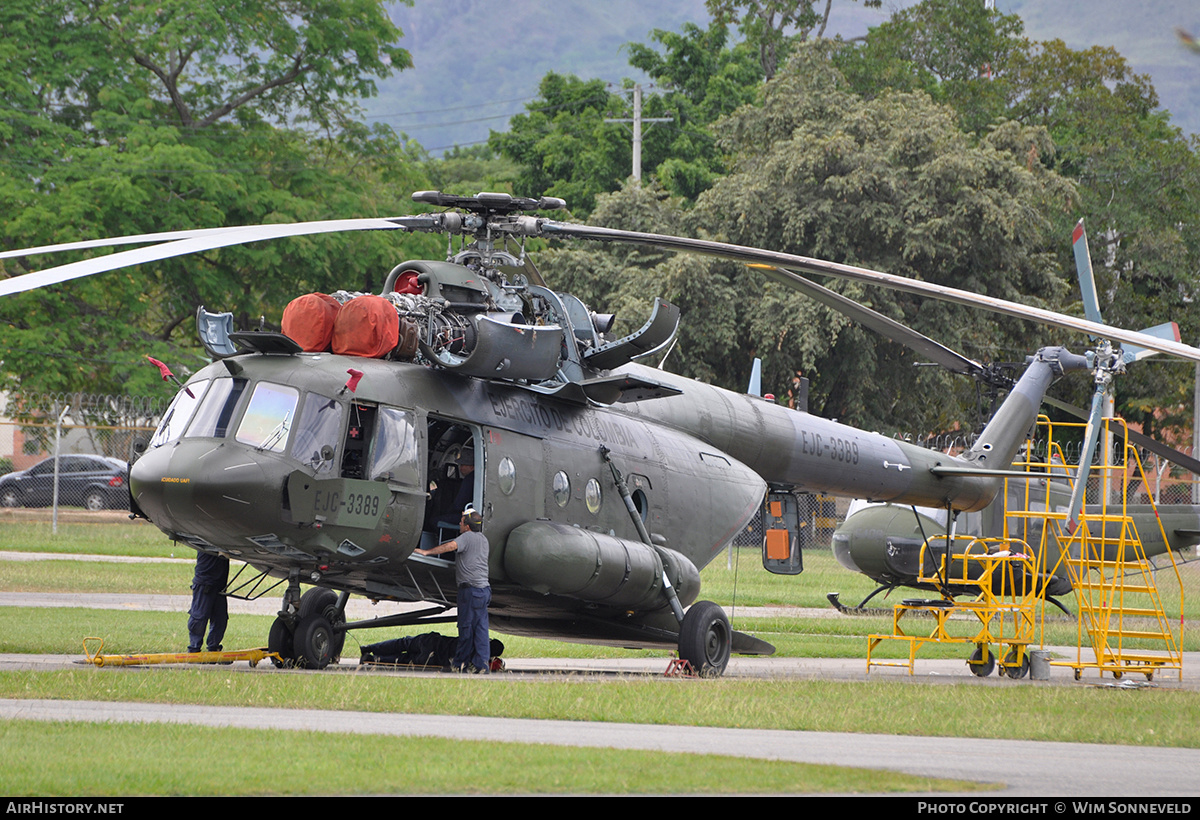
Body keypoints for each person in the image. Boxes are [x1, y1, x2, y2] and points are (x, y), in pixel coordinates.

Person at [413, 505, 491, 673]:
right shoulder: (483, 539)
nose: (459, 524)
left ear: (468, 526)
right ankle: (481, 665)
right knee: (481, 630)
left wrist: (426, 552)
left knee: (465, 628)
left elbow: (450, 546)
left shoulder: (467, 537)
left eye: (462, 522)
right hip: (484, 590)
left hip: (469, 591)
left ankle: (459, 664)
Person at [187, 551, 230, 653]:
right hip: (205, 584)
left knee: (221, 619)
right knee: (199, 618)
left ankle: (213, 647)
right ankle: (194, 647)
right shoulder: (206, 540)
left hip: (219, 585)